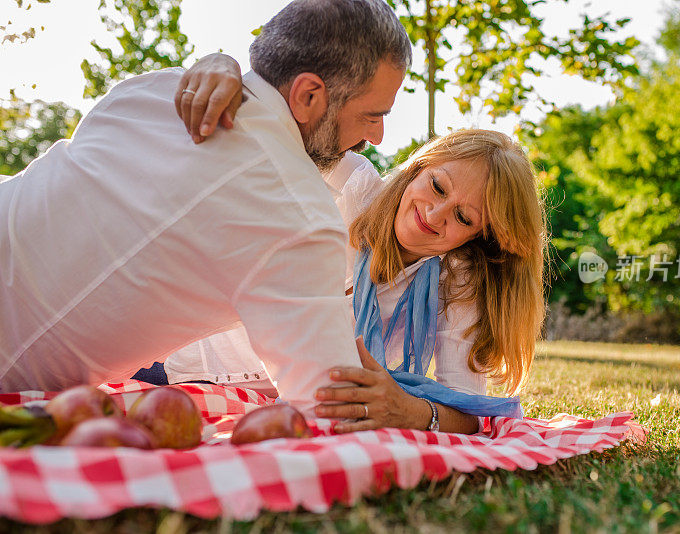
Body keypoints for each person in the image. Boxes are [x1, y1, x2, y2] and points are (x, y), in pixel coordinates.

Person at [0, 0, 411, 416]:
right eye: (372, 115)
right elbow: (330, 406)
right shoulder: (298, 216)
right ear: (308, 95)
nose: (375, 137)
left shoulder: (152, 89)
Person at [169, 58, 547, 433]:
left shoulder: (457, 279)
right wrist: (224, 69)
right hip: (176, 360)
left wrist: (410, 411)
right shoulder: (349, 184)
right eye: (437, 186)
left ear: (479, 238)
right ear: (418, 168)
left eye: (464, 218)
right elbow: (271, 125)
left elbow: (468, 408)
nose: (434, 216)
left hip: (271, 407)